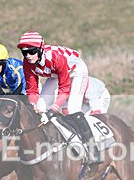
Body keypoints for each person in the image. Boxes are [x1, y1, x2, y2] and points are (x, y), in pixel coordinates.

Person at [17, 30, 97, 162]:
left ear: (40, 49)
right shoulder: (27, 63)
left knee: (72, 109)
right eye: (24, 52)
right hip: (55, 74)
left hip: (76, 71)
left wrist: (52, 111)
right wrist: (33, 106)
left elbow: (64, 90)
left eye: (31, 51)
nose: (28, 56)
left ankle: (93, 149)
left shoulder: (55, 58)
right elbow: (32, 90)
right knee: (40, 107)